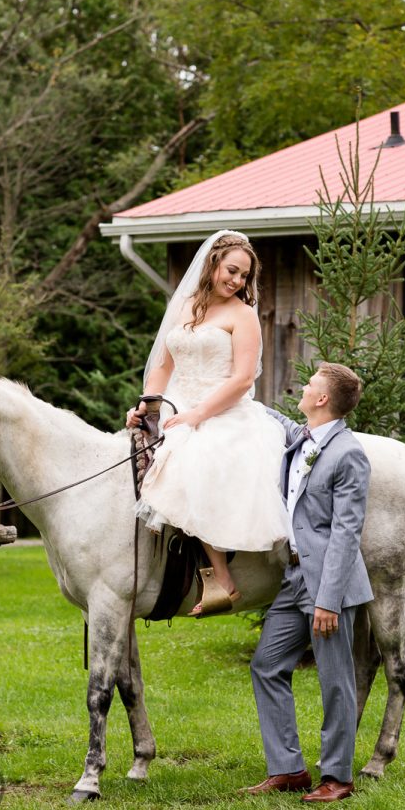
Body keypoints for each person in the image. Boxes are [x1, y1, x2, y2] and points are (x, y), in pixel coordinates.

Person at [126, 230, 289, 617]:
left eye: (244, 276)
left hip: (223, 410)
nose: (237, 281)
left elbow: (243, 379)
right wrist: (146, 408)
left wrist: (199, 415)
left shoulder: (243, 315)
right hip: (176, 405)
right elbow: (163, 367)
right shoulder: (183, 305)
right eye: (232, 270)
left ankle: (221, 578)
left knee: (194, 460)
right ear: (213, 264)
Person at [246, 362, 373, 803]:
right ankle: (288, 769)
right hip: (293, 577)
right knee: (266, 665)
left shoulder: (348, 453)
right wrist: (234, 396)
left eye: (310, 386)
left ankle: (338, 778)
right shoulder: (303, 436)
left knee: (335, 681)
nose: (302, 388)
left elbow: (346, 532)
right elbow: (274, 419)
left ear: (323, 400)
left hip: (328, 588)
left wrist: (329, 601)